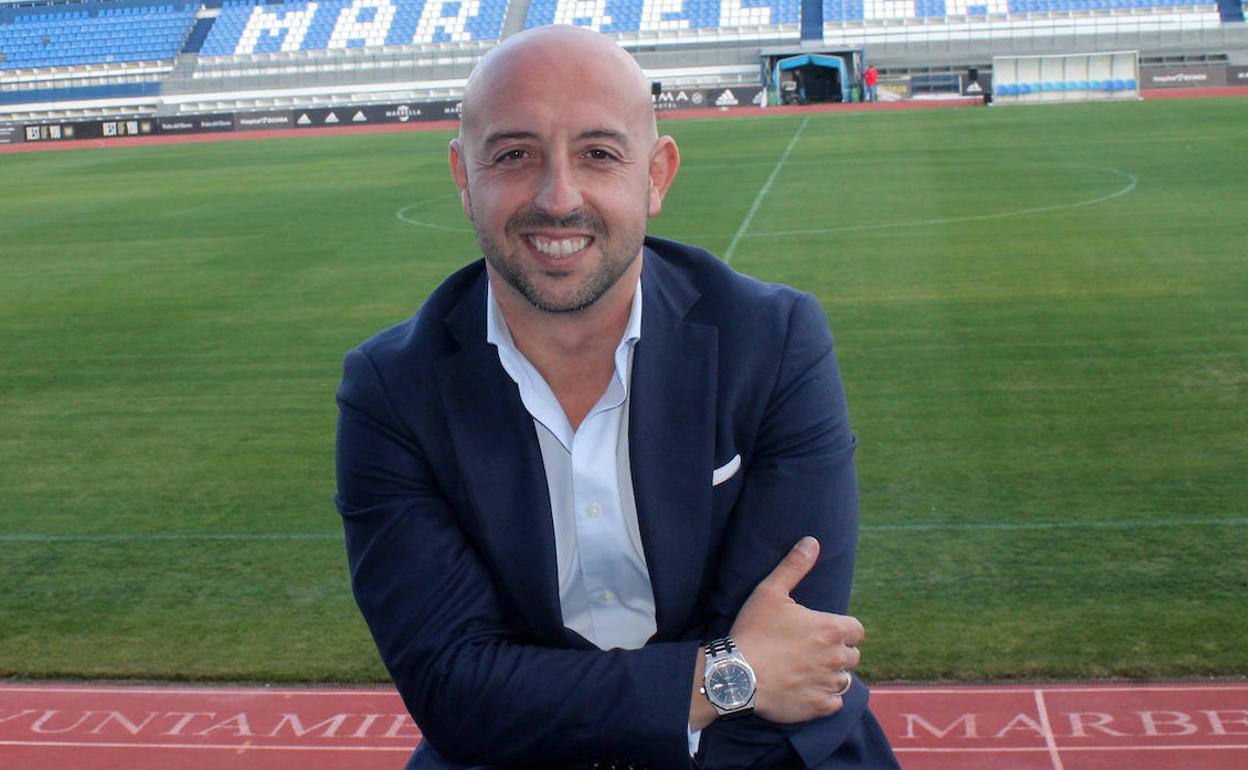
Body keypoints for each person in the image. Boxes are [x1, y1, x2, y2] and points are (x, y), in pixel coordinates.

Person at [335, 24, 901, 770]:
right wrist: (720, 677)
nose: (557, 196)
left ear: (657, 175)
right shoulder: (391, 391)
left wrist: (556, 698)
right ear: (463, 177)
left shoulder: (774, 341)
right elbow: (455, 690)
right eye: (514, 155)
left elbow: (799, 662)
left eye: (599, 154)